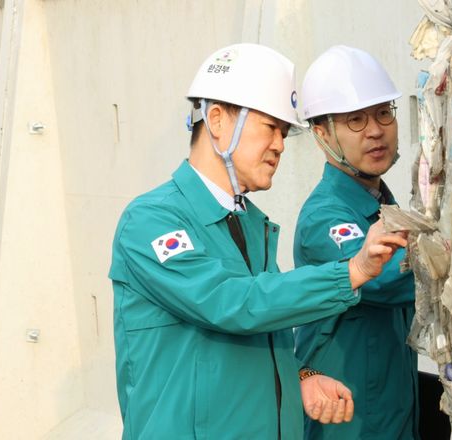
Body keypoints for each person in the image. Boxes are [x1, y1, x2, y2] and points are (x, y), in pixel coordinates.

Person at [108, 43, 408, 440]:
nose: (280, 145)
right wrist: (352, 271)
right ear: (216, 120)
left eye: (284, 133)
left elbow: (265, 330)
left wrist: (303, 375)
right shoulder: (150, 221)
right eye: (270, 127)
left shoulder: (252, 224)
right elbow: (231, 303)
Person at [294, 45, 419, 440]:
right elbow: (383, 277)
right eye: (355, 120)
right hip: (347, 421)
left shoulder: (381, 202)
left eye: (383, 113)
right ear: (321, 134)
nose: (375, 130)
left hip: (391, 413)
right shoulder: (325, 217)